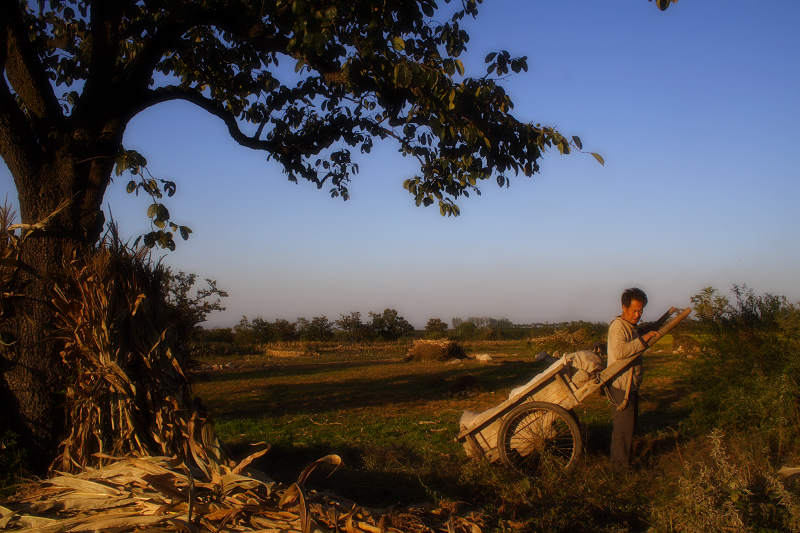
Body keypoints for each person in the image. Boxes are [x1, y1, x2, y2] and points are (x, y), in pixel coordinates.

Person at [606, 288, 671, 470]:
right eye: (634, 310)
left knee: (629, 427)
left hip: (630, 385)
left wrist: (648, 330)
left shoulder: (631, 326)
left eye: (640, 311)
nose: (637, 314)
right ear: (623, 307)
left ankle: (623, 462)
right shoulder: (618, 327)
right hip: (621, 386)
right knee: (623, 430)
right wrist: (643, 340)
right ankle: (619, 468)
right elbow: (620, 352)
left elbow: (638, 332)